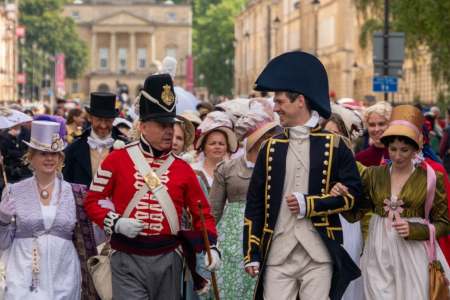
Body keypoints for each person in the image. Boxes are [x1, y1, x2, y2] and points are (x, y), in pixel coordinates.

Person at [83, 73, 220, 300]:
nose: (169, 131)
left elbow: (202, 213)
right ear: (144, 126)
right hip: (126, 258)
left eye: (171, 125)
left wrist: (211, 247)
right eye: (162, 124)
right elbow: (92, 201)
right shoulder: (117, 159)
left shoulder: (182, 168)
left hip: (168, 259)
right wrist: (115, 223)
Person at [243, 51, 362, 300]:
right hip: (277, 252)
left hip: (319, 252)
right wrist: (251, 252)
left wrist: (311, 204)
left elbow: (354, 197)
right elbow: (254, 204)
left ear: (300, 101)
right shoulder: (270, 147)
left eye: (280, 102)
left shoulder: (336, 145)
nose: (275, 109)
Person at [336, 105, 450, 299]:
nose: (397, 156)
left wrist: (416, 230)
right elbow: (356, 213)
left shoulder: (431, 177)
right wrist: (343, 197)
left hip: (414, 252)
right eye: (393, 149)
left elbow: (444, 224)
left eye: (404, 150)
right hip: (378, 250)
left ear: (416, 147)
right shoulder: (374, 174)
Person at [209, 98, 282, 299]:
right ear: (255, 138)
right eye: (266, 135)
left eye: (271, 135)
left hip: (265, 235)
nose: (271, 139)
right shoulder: (227, 169)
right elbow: (213, 211)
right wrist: (209, 246)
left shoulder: (277, 168)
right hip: (231, 240)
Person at [0, 120, 81, 299]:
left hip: (63, 274)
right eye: (43, 153)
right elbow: (3, 243)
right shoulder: (14, 191)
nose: (49, 158)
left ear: (60, 158)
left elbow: (88, 236)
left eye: (54, 153)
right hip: (23, 275)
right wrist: (3, 220)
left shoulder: (74, 193)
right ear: (31, 157)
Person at [63, 92, 128, 186]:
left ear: (113, 120)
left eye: (108, 120)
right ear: (90, 118)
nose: (103, 125)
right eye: (99, 119)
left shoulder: (127, 148)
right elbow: (66, 183)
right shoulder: (74, 148)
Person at [192, 111, 238, 189]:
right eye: (212, 143)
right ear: (204, 147)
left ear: (227, 147)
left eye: (221, 144)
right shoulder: (193, 170)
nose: (217, 147)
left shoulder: (234, 171)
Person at [355, 101, 392, 166]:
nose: (376, 129)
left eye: (381, 124)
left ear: (390, 125)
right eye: (372, 125)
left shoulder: (401, 156)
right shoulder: (359, 159)